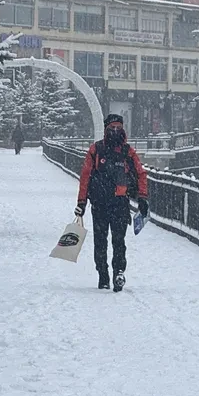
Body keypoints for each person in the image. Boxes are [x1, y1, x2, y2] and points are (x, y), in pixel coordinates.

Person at [74, 114, 148, 292]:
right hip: (118, 202)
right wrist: (143, 197)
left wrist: (82, 202)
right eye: (112, 128)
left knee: (104, 240)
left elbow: (85, 177)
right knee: (117, 240)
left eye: (117, 128)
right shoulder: (125, 151)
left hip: (102, 203)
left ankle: (107, 275)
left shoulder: (97, 149)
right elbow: (141, 174)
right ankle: (116, 272)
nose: (115, 131)